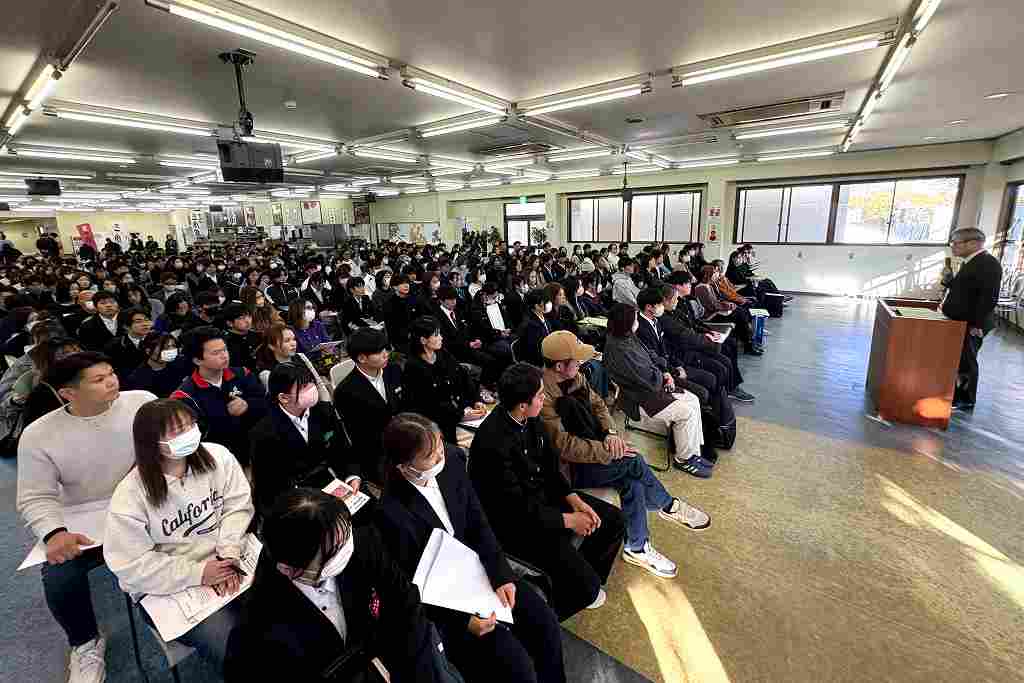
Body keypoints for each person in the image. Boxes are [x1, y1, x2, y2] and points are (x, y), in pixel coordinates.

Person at [376, 414, 567, 683]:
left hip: (481, 570)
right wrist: (462, 621)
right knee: (518, 667)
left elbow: (478, 522)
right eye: (430, 456)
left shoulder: (452, 461)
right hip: (449, 601)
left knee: (546, 624)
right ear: (405, 467)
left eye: (440, 445)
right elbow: (412, 586)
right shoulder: (390, 513)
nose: (440, 456)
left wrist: (500, 574)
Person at [16, 352, 156, 683]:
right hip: (84, 517)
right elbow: (36, 496)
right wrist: (54, 533)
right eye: (99, 379)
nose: (112, 382)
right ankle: (85, 642)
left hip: (145, 501)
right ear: (69, 393)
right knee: (60, 576)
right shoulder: (39, 435)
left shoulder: (141, 402)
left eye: (112, 373)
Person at [224, 489, 453, 682]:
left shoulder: (361, 540)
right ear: (290, 569)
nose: (348, 548)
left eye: (347, 533)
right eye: (334, 551)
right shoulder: (258, 623)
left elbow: (406, 602)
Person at [538, 331, 710, 579]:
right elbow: (563, 446)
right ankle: (667, 505)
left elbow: (598, 405)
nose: (581, 363)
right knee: (634, 461)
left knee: (633, 484)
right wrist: (607, 451)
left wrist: (611, 434)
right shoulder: (542, 397)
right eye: (576, 360)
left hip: (593, 447)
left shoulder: (574, 376)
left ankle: (637, 548)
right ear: (559, 366)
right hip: (568, 469)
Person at [104, 399, 254, 673]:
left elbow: (238, 506)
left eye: (190, 425)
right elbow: (131, 564)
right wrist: (200, 573)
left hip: (227, 558)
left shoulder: (218, 456)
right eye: (176, 431)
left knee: (284, 615)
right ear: (152, 443)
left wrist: (228, 553)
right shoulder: (130, 496)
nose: (189, 434)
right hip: (174, 585)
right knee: (239, 653)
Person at [468, 363, 626, 621]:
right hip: (515, 522)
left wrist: (574, 500)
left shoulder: (531, 419)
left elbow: (551, 468)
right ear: (523, 405)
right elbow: (516, 509)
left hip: (541, 498)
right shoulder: (492, 443)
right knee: (586, 587)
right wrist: (569, 520)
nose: (545, 398)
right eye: (540, 395)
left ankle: (580, 573)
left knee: (613, 520)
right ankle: (552, 614)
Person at [603, 303, 715, 478]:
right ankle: (683, 459)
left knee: (693, 399)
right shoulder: (619, 349)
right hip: (639, 398)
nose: (637, 322)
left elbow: (651, 355)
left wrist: (665, 371)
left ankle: (693, 452)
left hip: (653, 387)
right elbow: (646, 379)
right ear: (626, 322)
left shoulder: (627, 336)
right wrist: (664, 377)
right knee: (686, 413)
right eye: (635, 319)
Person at [250, 362, 362, 522]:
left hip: (329, 479)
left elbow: (343, 449)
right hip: (295, 496)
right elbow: (268, 485)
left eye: (311, 383)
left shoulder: (324, 411)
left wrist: (352, 476)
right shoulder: (263, 433)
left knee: (367, 512)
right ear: (283, 397)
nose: (311, 389)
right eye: (303, 387)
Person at [170, 326, 268, 464]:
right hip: (215, 459)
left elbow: (267, 404)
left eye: (225, 349)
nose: (224, 356)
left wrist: (248, 405)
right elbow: (198, 435)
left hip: (254, 452)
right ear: (197, 360)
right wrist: (225, 414)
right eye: (216, 353)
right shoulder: (185, 396)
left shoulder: (243, 374)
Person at [663, 272, 753, 402]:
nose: (691, 285)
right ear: (678, 286)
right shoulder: (671, 311)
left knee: (729, 346)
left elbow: (694, 323)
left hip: (695, 338)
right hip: (689, 346)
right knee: (724, 356)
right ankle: (728, 390)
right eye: (687, 283)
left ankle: (731, 386)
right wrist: (708, 339)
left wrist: (709, 331)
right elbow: (685, 334)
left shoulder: (682, 302)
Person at [941, 227, 1003, 409]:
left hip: (972, 323)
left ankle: (965, 399)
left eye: (956, 243)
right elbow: (966, 290)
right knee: (959, 359)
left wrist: (977, 324)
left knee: (966, 360)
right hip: (962, 321)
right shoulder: (971, 262)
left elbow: (989, 298)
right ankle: (956, 394)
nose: (953, 246)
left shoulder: (988, 264)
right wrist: (949, 280)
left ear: (973, 243)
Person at [333, 327, 403, 484]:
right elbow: (360, 436)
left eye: (385, 349)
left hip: (405, 436)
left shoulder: (394, 370)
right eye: (379, 352)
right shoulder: (345, 392)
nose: (386, 354)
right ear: (362, 358)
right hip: (377, 453)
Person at [402, 316, 485, 444]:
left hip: (461, 409)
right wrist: (461, 415)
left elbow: (463, 376)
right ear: (423, 340)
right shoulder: (413, 367)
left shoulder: (442, 353)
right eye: (436, 335)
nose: (441, 337)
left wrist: (476, 400)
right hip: (439, 423)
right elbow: (428, 404)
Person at [694, 265, 762, 356]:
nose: (716, 275)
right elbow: (712, 306)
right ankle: (748, 345)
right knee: (739, 315)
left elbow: (717, 301)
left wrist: (728, 305)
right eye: (714, 273)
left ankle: (748, 342)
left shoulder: (708, 285)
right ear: (708, 274)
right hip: (711, 316)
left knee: (740, 312)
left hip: (717, 312)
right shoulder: (701, 288)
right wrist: (728, 306)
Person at [124, 332, 187, 397]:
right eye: (165, 347)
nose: (171, 350)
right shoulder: (137, 378)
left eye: (173, 346)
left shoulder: (181, 364)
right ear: (148, 351)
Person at [102, 308, 152, 379]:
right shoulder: (114, 346)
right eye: (138, 321)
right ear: (126, 326)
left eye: (147, 320)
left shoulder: (159, 340)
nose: (145, 324)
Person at [515, 289, 554, 367]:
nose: (549, 303)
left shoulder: (544, 318)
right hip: (538, 364)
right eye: (546, 302)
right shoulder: (530, 326)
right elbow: (535, 353)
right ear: (537, 306)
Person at [222, 303, 260, 373]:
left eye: (249, 316)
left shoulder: (257, 336)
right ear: (230, 323)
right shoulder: (225, 342)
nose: (247, 321)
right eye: (241, 318)